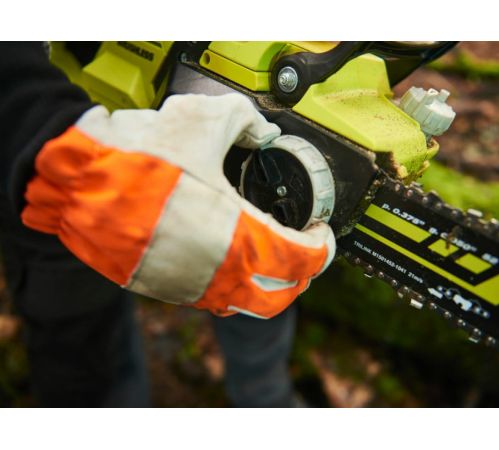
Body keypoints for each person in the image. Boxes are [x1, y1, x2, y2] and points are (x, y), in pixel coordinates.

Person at [0, 42, 335, 407]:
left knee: (259, 279)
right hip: (61, 107)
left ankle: (266, 398)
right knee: (82, 345)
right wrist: (46, 137)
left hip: (252, 109)